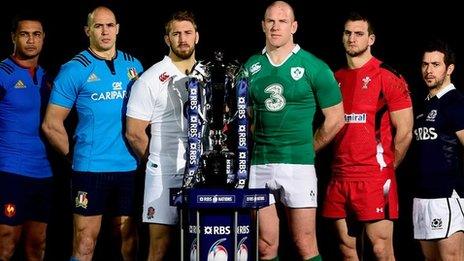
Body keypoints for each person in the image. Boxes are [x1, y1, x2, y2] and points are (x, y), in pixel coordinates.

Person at [244, 1, 345, 260]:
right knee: (265, 247)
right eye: (271, 21)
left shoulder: (314, 67)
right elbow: (248, 115)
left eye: (282, 21)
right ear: (263, 25)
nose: (276, 27)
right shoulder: (250, 67)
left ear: (294, 26)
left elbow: (335, 119)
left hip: (298, 165)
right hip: (259, 164)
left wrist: (309, 148)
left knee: (304, 244)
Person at [41, 6, 143, 261]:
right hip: (90, 169)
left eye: (110, 25)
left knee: (128, 242)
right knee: (86, 242)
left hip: (128, 168)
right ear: (88, 31)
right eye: (98, 26)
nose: (105, 31)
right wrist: (72, 158)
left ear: (118, 29)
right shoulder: (74, 69)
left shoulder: (134, 65)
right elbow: (51, 124)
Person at [321, 12, 413, 260]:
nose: (352, 39)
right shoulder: (334, 78)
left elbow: (405, 130)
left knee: (381, 250)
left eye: (359, 34)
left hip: (374, 177)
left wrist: (387, 169)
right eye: (348, 33)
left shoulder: (387, 76)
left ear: (371, 39)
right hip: (339, 176)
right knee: (346, 249)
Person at [125, 10, 199, 261]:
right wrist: (155, 161)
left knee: (200, 241)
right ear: (167, 39)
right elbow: (134, 132)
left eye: (188, 32)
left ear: (197, 36)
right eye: (176, 34)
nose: (182, 39)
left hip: (201, 171)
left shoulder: (208, 75)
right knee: (159, 245)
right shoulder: (151, 78)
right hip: (163, 172)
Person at [0, 13, 52, 261]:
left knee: (37, 244)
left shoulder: (46, 76)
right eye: (24, 34)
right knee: (7, 242)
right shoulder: (2, 73)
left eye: (36, 34)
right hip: (10, 171)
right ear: (13, 37)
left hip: (43, 173)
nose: (31, 40)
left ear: (43, 39)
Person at [412, 39, 464, 260]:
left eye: (435, 64)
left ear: (449, 68)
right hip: (422, 197)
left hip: (447, 197)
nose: (429, 70)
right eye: (425, 64)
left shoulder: (456, 102)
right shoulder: (423, 104)